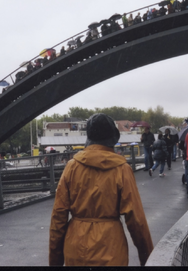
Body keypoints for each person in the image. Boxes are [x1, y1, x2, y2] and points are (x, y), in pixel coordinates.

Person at [49, 113, 153, 266]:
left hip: (76, 249)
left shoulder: (72, 166)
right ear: (112, 138)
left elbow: (58, 217)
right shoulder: (122, 169)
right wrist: (148, 259)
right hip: (111, 248)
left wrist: (55, 261)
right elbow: (137, 220)